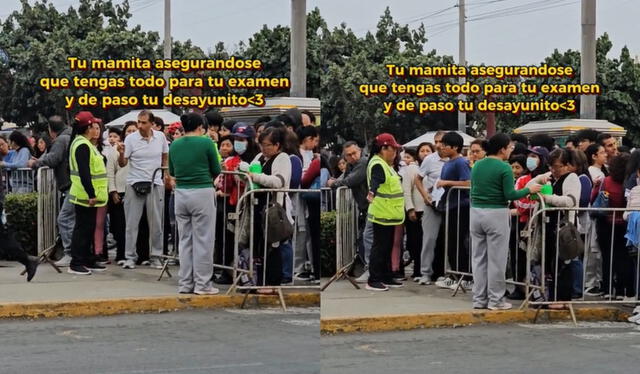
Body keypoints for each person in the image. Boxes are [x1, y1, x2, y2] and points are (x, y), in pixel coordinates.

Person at [471, 134, 541, 310]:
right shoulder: (504, 168)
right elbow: (510, 194)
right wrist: (528, 189)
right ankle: (496, 300)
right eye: (509, 147)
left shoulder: (477, 164)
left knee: (479, 258)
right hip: (496, 213)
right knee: (497, 259)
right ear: (502, 149)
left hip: (476, 212)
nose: (511, 150)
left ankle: (479, 299)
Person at [169, 113, 221, 295]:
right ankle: (203, 284)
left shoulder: (175, 144)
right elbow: (216, 169)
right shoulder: (206, 143)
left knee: (185, 241)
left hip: (181, 193)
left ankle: (185, 283)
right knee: (203, 240)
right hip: (202, 192)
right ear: (200, 126)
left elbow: (172, 170)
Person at [527, 148, 580, 308]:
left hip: (564, 228)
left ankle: (562, 299)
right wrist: (540, 178)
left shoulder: (571, 178)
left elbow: (570, 201)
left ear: (568, 165)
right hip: (548, 225)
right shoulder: (551, 178)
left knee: (563, 263)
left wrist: (548, 198)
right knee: (550, 263)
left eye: (557, 166)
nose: (554, 170)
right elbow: (529, 186)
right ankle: (552, 296)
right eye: (551, 166)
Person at [117, 110, 169, 270]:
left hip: (155, 183)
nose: (140, 125)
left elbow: (165, 155)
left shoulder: (160, 137)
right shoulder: (131, 138)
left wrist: (165, 173)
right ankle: (130, 257)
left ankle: (156, 257)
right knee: (131, 223)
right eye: (138, 122)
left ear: (152, 124)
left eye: (144, 122)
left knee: (156, 224)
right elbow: (123, 163)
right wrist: (120, 153)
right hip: (134, 183)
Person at [248, 126, 293, 291]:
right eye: (262, 144)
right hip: (258, 208)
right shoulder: (260, 157)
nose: (264, 148)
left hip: (275, 210)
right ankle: (260, 282)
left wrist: (256, 176)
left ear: (277, 145)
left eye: (267, 145)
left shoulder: (283, 159)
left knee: (273, 246)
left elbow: (278, 181)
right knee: (260, 246)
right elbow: (249, 170)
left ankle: (272, 283)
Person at [27, 116, 75, 266]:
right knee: (73, 220)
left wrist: (36, 163)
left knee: (64, 219)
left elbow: (53, 158)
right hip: (74, 184)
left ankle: (70, 254)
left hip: (71, 184)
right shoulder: (72, 135)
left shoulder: (61, 140)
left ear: (51, 130)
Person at [67, 111, 108, 275]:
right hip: (85, 195)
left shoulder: (85, 143)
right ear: (87, 128)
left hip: (89, 195)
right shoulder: (82, 145)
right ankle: (76, 262)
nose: (95, 129)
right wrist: (91, 194)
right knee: (82, 229)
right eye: (93, 126)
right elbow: (84, 172)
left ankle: (87, 259)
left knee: (89, 228)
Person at [364, 133, 405, 291]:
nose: (395, 153)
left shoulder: (385, 164)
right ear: (383, 148)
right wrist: (372, 192)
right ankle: (374, 279)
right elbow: (376, 180)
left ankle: (386, 276)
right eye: (393, 149)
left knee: (387, 246)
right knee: (380, 246)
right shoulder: (378, 164)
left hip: (389, 213)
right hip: (382, 212)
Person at [327, 141, 371, 281]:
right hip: (364, 207)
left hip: (372, 206)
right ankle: (368, 268)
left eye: (354, 153)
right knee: (363, 238)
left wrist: (333, 184)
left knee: (366, 238)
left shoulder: (363, 162)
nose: (353, 156)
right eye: (349, 155)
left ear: (360, 151)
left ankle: (370, 270)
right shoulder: (351, 165)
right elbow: (346, 179)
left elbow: (350, 181)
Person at [595, 153, 634, 301]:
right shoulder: (629, 183)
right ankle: (622, 290)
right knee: (624, 259)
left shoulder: (606, 181)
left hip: (606, 223)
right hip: (624, 225)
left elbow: (596, 198)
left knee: (607, 258)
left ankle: (607, 289)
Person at [436, 132, 472, 290]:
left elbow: (467, 183)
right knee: (449, 242)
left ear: (455, 147)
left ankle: (465, 275)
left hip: (460, 207)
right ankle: (453, 274)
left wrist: (446, 182)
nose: (441, 148)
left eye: (445, 145)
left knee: (458, 242)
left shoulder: (461, 163)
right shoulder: (447, 163)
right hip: (448, 206)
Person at [415, 130, 448, 286]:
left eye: (441, 141)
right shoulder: (429, 159)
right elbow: (418, 179)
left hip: (450, 205)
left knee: (450, 240)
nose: (438, 145)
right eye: (436, 141)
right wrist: (425, 196)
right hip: (432, 204)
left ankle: (448, 273)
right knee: (429, 238)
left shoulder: (457, 160)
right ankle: (425, 272)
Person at [400, 148, 424, 281]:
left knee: (418, 242)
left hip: (421, 209)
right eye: (404, 157)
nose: (405, 159)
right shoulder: (410, 170)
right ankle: (417, 270)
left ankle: (419, 270)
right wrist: (410, 209)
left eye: (408, 157)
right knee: (415, 242)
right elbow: (406, 191)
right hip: (414, 211)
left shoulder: (417, 169)